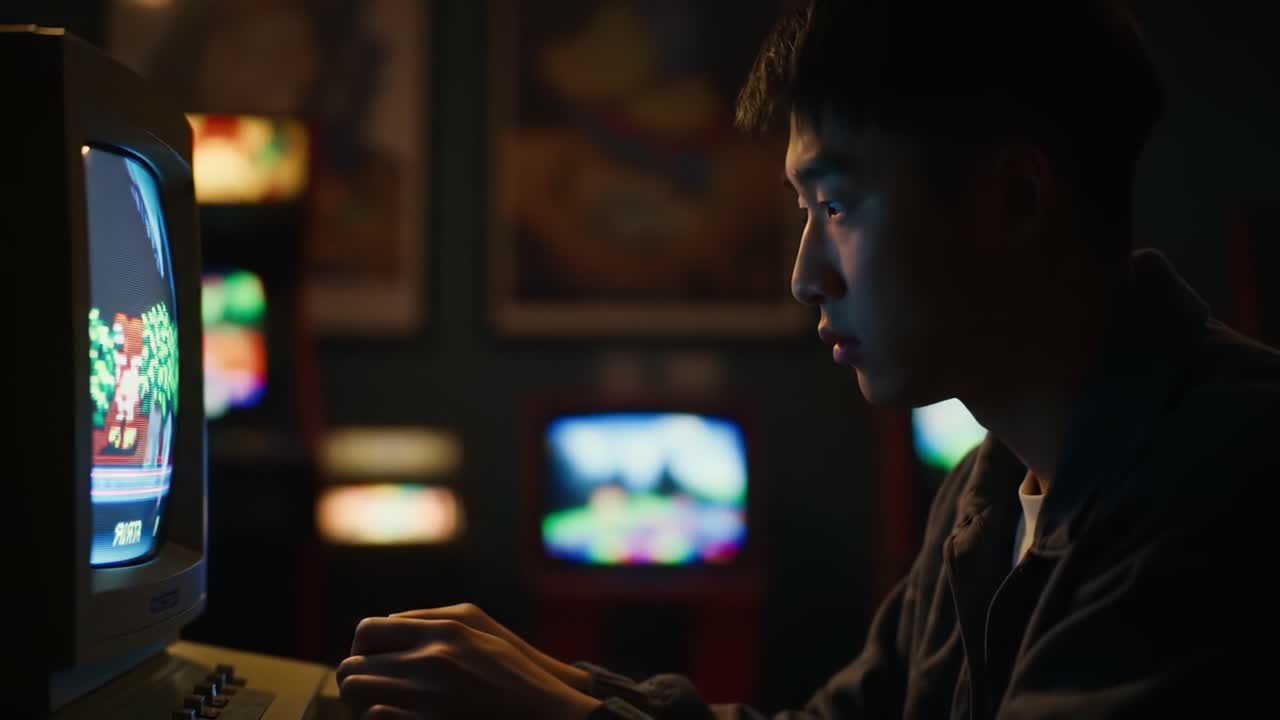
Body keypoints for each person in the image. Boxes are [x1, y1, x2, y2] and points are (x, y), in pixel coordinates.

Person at [335, 1, 1280, 717]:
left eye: (835, 206)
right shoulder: (991, 491)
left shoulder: (1228, 475)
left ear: (1016, 200)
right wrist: (564, 687)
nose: (804, 276)